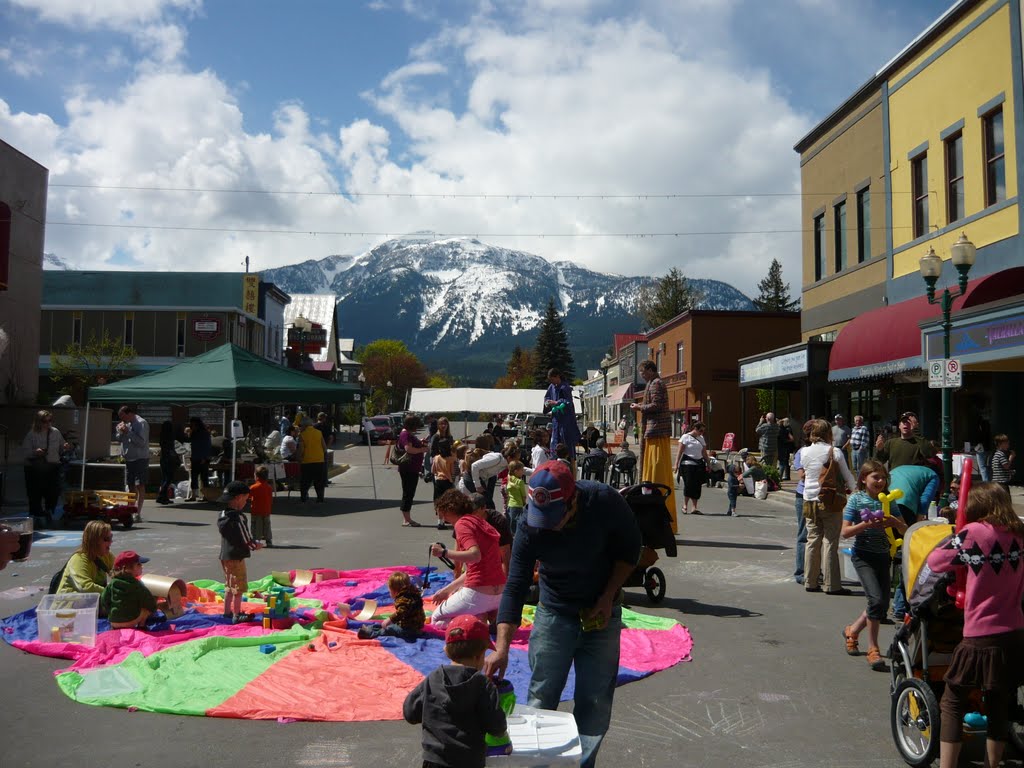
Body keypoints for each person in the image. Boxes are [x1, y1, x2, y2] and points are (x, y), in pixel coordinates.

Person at [483, 460, 642, 768]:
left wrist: (608, 596)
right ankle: (539, 765)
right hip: (554, 611)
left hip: (601, 613)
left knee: (594, 702)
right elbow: (515, 585)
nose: (548, 525)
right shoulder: (532, 524)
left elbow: (631, 551)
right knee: (542, 698)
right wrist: (502, 647)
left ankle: (584, 764)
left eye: (554, 517)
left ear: (573, 500)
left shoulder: (604, 501)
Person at [926, 483, 1024, 768]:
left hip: (980, 632)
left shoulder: (974, 534)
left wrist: (959, 538)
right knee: (998, 701)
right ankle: (993, 764)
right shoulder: (1019, 535)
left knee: (953, 699)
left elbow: (935, 561)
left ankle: (947, 765)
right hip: (1014, 630)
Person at [403, 614, 509, 768]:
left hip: (435, 760)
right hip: (470, 761)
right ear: (480, 656)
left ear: (446, 651)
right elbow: (497, 728)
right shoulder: (483, 685)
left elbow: (410, 713)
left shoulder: (433, 679)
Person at [840, 460, 908, 671]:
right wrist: (865, 524)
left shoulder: (888, 501)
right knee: (876, 600)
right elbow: (845, 532)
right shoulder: (856, 500)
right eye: (875, 477)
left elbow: (906, 530)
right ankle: (873, 649)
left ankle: (852, 630)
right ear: (863, 479)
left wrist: (895, 523)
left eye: (883, 477)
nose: (880, 481)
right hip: (863, 556)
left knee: (880, 604)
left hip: (883, 556)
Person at [428, 490, 507, 628]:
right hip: (498, 593)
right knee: (473, 611)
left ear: (449, 509)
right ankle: (481, 620)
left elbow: (475, 556)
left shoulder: (462, 525)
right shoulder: (479, 521)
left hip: (479, 593)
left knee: (436, 619)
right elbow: (474, 569)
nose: (441, 516)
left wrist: (444, 553)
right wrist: (447, 590)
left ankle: (477, 626)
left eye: (441, 512)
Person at [801, 419, 856, 596]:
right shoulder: (835, 452)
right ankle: (831, 584)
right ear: (828, 434)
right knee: (830, 541)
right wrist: (855, 491)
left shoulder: (804, 451)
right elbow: (848, 477)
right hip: (829, 500)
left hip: (809, 499)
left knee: (812, 540)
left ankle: (810, 581)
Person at [631, 359, 677, 533]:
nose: (641, 376)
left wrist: (639, 407)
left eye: (643, 372)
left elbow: (657, 405)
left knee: (655, 469)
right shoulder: (653, 382)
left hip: (656, 430)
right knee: (653, 470)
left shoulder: (656, 384)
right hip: (654, 430)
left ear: (650, 370)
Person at [217, 480, 262, 624]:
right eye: (246, 499)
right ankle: (237, 615)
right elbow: (245, 537)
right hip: (236, 556)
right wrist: (255, 545)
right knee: (239, 586)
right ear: (238, 498)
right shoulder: (238, 517)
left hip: (225, 555)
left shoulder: (222, 514)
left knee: (229, 585)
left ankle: (226, 612)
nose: (246, 502)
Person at [21, 409, 68, 526]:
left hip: (53, 466)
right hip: (36, 468)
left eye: (50, 420)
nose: (48, 423)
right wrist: (35, 452)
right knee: (35, 493)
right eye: (45, 421)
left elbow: (62, 447)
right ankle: (37, 514)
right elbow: (25, 452)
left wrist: (65, 447)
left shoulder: (55, 432)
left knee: (53, 492)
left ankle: (49, 511)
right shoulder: (32, 434)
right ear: (38, 421)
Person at [358, 571, 425, 640]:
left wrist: (389, 620)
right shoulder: (413, 593)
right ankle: (370, 628)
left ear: (395, 591)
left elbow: (402, 612)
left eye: (390, 591)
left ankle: (369, 633)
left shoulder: (404, 600)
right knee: (382, 625)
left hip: (410, 630)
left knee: (389, 629)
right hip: (414, 625)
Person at [100, 550, 157, 629]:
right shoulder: (136, 585)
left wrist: (111, 611)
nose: (142, 566)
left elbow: (104, 599)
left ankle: (115, 628)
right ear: (127, 569)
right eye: (138, 564)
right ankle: (142, 627)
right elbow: (149, 601)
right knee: (145, 610)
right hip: (131, 622)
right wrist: (153, 610)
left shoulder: (112, 584)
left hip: (113, 622)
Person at [56, 520, 114, 595]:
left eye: (111, 537)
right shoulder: (79, 559)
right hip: (69, 603)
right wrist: (112, 593)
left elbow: (120, 572)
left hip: (91, 603)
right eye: (107, 539)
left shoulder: (106, 555)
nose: (111, 541)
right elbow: (86, 587)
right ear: (94, 541)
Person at [116, 405, 150, 519]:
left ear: (129, 413)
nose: (122, 420)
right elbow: (119, 439)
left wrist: (128, 432)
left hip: (140, 458)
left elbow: (141, 442)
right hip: (129, 458)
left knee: (140, 485)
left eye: (123, 417)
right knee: (130, 486)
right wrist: (120, 431)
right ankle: (130, 510)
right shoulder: (127, 424)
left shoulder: (141, 423)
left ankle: (138, 512)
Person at [545, 369, 581, 470]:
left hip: (566, 421)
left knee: (567, 445)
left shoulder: (565, 387)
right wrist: (547, 402)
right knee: (555, 444)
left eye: (552, 379)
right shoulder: (551, 387)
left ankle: (571, 470)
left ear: (557, 377)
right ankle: (554, 467)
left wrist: (557, 403)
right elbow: (547, 397)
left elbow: (568, 402)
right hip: (556, 420)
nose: (551, 382)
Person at [792, 420, 813, 584]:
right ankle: (800, 571)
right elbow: (802, 475)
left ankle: (815, 570)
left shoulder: (828, 451)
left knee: (818, 536)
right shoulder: (802, 452)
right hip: (804, 494)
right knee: (804, 534)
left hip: (822, 495)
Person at [397, 415, 429, 526]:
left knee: (409, 492)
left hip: (412, 468)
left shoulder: (407, 434)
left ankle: (407, 518)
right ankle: (406, 519)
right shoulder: (405, 434)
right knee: (408, 493)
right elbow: (408, 449)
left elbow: (410, 445)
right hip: (408, 469)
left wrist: (419, 442)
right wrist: (422, 449)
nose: (416, 428)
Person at [676, 422, 709, 515]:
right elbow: (679, 452)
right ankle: (685, 505)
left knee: (697, 486)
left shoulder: (701, 438)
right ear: (695, 428)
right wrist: (676, 464)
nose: (702, 433)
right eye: (700, 430)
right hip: (687, 464)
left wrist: (709, 464)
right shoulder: (685, 437)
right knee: (689, 485)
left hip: (699, 464)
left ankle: (694, 507)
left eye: (703, 431)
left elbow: (704, 453)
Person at [186, 416, 212, 502]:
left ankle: (205, 495)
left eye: (192, 423)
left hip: (201, 458)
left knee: (203, 478)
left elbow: (206, 446)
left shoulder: (204, 433)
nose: (191, 425)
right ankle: (194, 495)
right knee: (195, 477)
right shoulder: (195, 432)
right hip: (195, 457)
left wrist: (204, 457)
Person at [155, 420, 181, 506]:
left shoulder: (162, 436)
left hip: (163, 458)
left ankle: (164, 497)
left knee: (164, 478)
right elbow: (171, 449)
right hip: (169, 459)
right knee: (168, 478)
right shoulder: (170, 436)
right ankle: (161, 495)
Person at [432, 440, 457, 529]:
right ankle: (448, 519)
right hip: (447, 481)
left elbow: (433, 470)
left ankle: (440, 522)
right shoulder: (450, 459)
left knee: (439, 503)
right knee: (448, 502)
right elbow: (452, 472)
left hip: (438, 481)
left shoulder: (436, 458)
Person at [249, 465, 274, 547]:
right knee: (267, 525)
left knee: (256, 526)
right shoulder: (269, 487)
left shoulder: (253, 487)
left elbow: (248, 496)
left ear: (256, 476)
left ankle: (256, 539)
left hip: (256, 510)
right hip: (266, 510)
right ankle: (268, 540)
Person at [505, 461, 527, 536]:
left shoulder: (509, 478)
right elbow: (523, 495)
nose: (522, 472)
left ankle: (511, 537)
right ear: (516, 471)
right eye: (521, 470)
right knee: (517, 523)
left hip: (510, 504)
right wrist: (524, 502)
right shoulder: (520, 482)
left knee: (511, 523)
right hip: (517, 505)